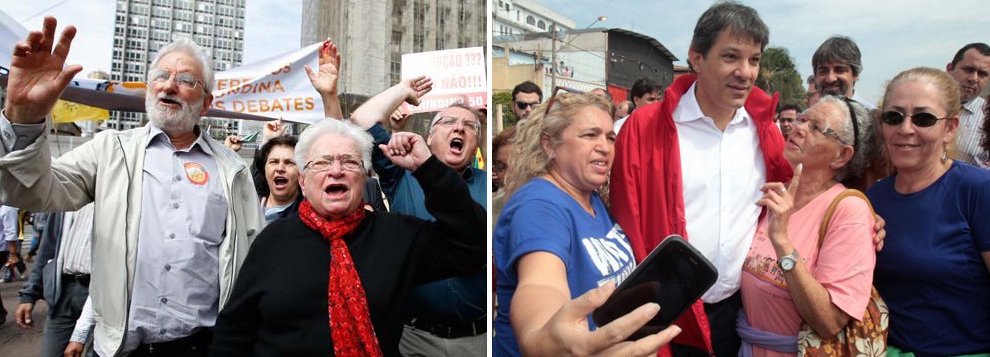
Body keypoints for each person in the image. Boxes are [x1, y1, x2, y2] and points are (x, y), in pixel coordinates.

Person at [0, 18, 264, 356]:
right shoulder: (109, 150)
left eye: (186, 80)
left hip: (202, 347)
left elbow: (251, 263)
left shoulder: (233, 171)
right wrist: (24, 116)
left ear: (206, 102)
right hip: (120, 348)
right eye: (161, 76)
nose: (169, 86)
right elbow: (25, 191)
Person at [208, 118, 486, 356]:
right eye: (322, 163)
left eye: (350, 162)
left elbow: (471, 244)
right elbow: (234, 331)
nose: (336, 170)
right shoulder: (273, 241)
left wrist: (427, 168)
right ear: (303, 181)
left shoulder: (397, 236)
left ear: (364, 177)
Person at [610, 3, 789, 355]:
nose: (745, 72)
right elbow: (626, 220)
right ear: (696, 57)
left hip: (740, 314)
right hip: (666, 315)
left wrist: (863, 217)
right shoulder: (645, 128)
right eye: (731, 57)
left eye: (754, 60)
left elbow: (801, 197)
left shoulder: (766, 130)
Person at [494, 92, 681, 356]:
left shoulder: (592, 198)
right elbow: (540, 284)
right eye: (590, 135)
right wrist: (544, 337)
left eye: (610, 137)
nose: (604, 147)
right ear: (549, 145)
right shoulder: (538, 205)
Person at [346, 77, 488, 356]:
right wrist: (403, 91)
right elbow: (361, 118)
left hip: (477, 340)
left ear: (477, 143)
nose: (459, 127)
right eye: (447, 122)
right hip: (414, 338)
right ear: (429, 136)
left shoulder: (492, 189)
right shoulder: (401, 172)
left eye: (469, 126)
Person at [739, 97, 878, 355]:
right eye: (802, 119)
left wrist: (782, 242)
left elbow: (829, 322)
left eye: (817, 128)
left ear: (842, 155)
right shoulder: (778, 193)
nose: (799, 128)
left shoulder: (849, 211)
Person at [866, 67, 990, 356]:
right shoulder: (874, 197)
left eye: (923, 118)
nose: (905, 129)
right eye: (893, 117)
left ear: (950, 128)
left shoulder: (977, 190)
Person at [16, 204, 95, 357]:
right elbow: (48, 248)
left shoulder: (117, 194)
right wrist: (29, 293)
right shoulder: (66, 198)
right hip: (63, 292)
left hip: (100, 294)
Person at [945, 43, 990, 167]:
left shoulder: (987, 118)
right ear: (949, 69)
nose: (974, 78)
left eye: (982, 74)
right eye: (968, 70)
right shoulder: (921, 105)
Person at [811, 36, 876, 110]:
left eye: (839, 70)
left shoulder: (874, 118)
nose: (830, 78)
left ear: (855, 74)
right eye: (823, 71)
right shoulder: (805, 119)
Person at [0, 193, 18, 327]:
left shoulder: (6, 208)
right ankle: (0, 310)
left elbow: (11, 231)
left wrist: (13, 254)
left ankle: (0, 311)